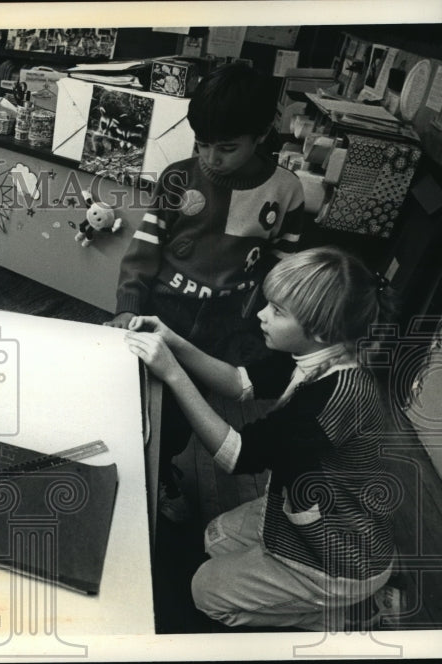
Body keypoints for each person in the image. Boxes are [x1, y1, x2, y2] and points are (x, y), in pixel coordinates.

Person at [123, 246, 397, 630]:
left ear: (318, 329)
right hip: (305, 508)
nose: (260, 315)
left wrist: (172, 373)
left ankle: (343, 614)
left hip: (340, 554)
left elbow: (238, 455)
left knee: (203, 591)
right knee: (213, 538)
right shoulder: (319, 351)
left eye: (277, 311)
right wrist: (175, 342)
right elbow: (239, 383)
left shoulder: (335, 397)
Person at [106, 62, 306, 522]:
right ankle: (125, 465)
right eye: (202, 144)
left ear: (261, 135)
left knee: (181, 413)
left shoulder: (286, 190)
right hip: (160, 311)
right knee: (130, 395)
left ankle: (160, 472)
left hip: (223, 329)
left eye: (227, 147)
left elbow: (282, 269)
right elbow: (143, 250)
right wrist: (127, 306)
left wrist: (260, 330)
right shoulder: (178, 177)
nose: (210, 158)